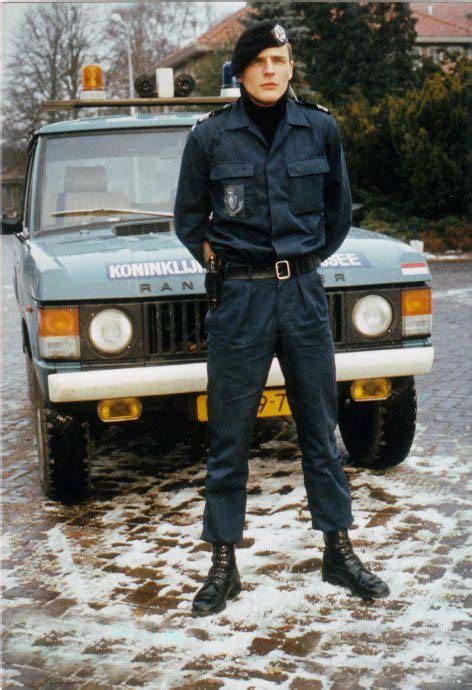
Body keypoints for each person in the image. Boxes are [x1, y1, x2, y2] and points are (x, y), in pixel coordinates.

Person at [174, 20, 389, 616]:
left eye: (281, 59)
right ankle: (223, 563)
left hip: (302, 298)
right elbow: (190, 220)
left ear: (291, 67)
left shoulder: (319, 129)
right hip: (239, 302)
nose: (271, 69)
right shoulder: (211, 138)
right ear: (240, 72)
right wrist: (226, 266)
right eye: (260, 61)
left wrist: (306, 262)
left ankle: (338, 551)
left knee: (320, 428)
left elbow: (337, 212)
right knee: (229, 436)